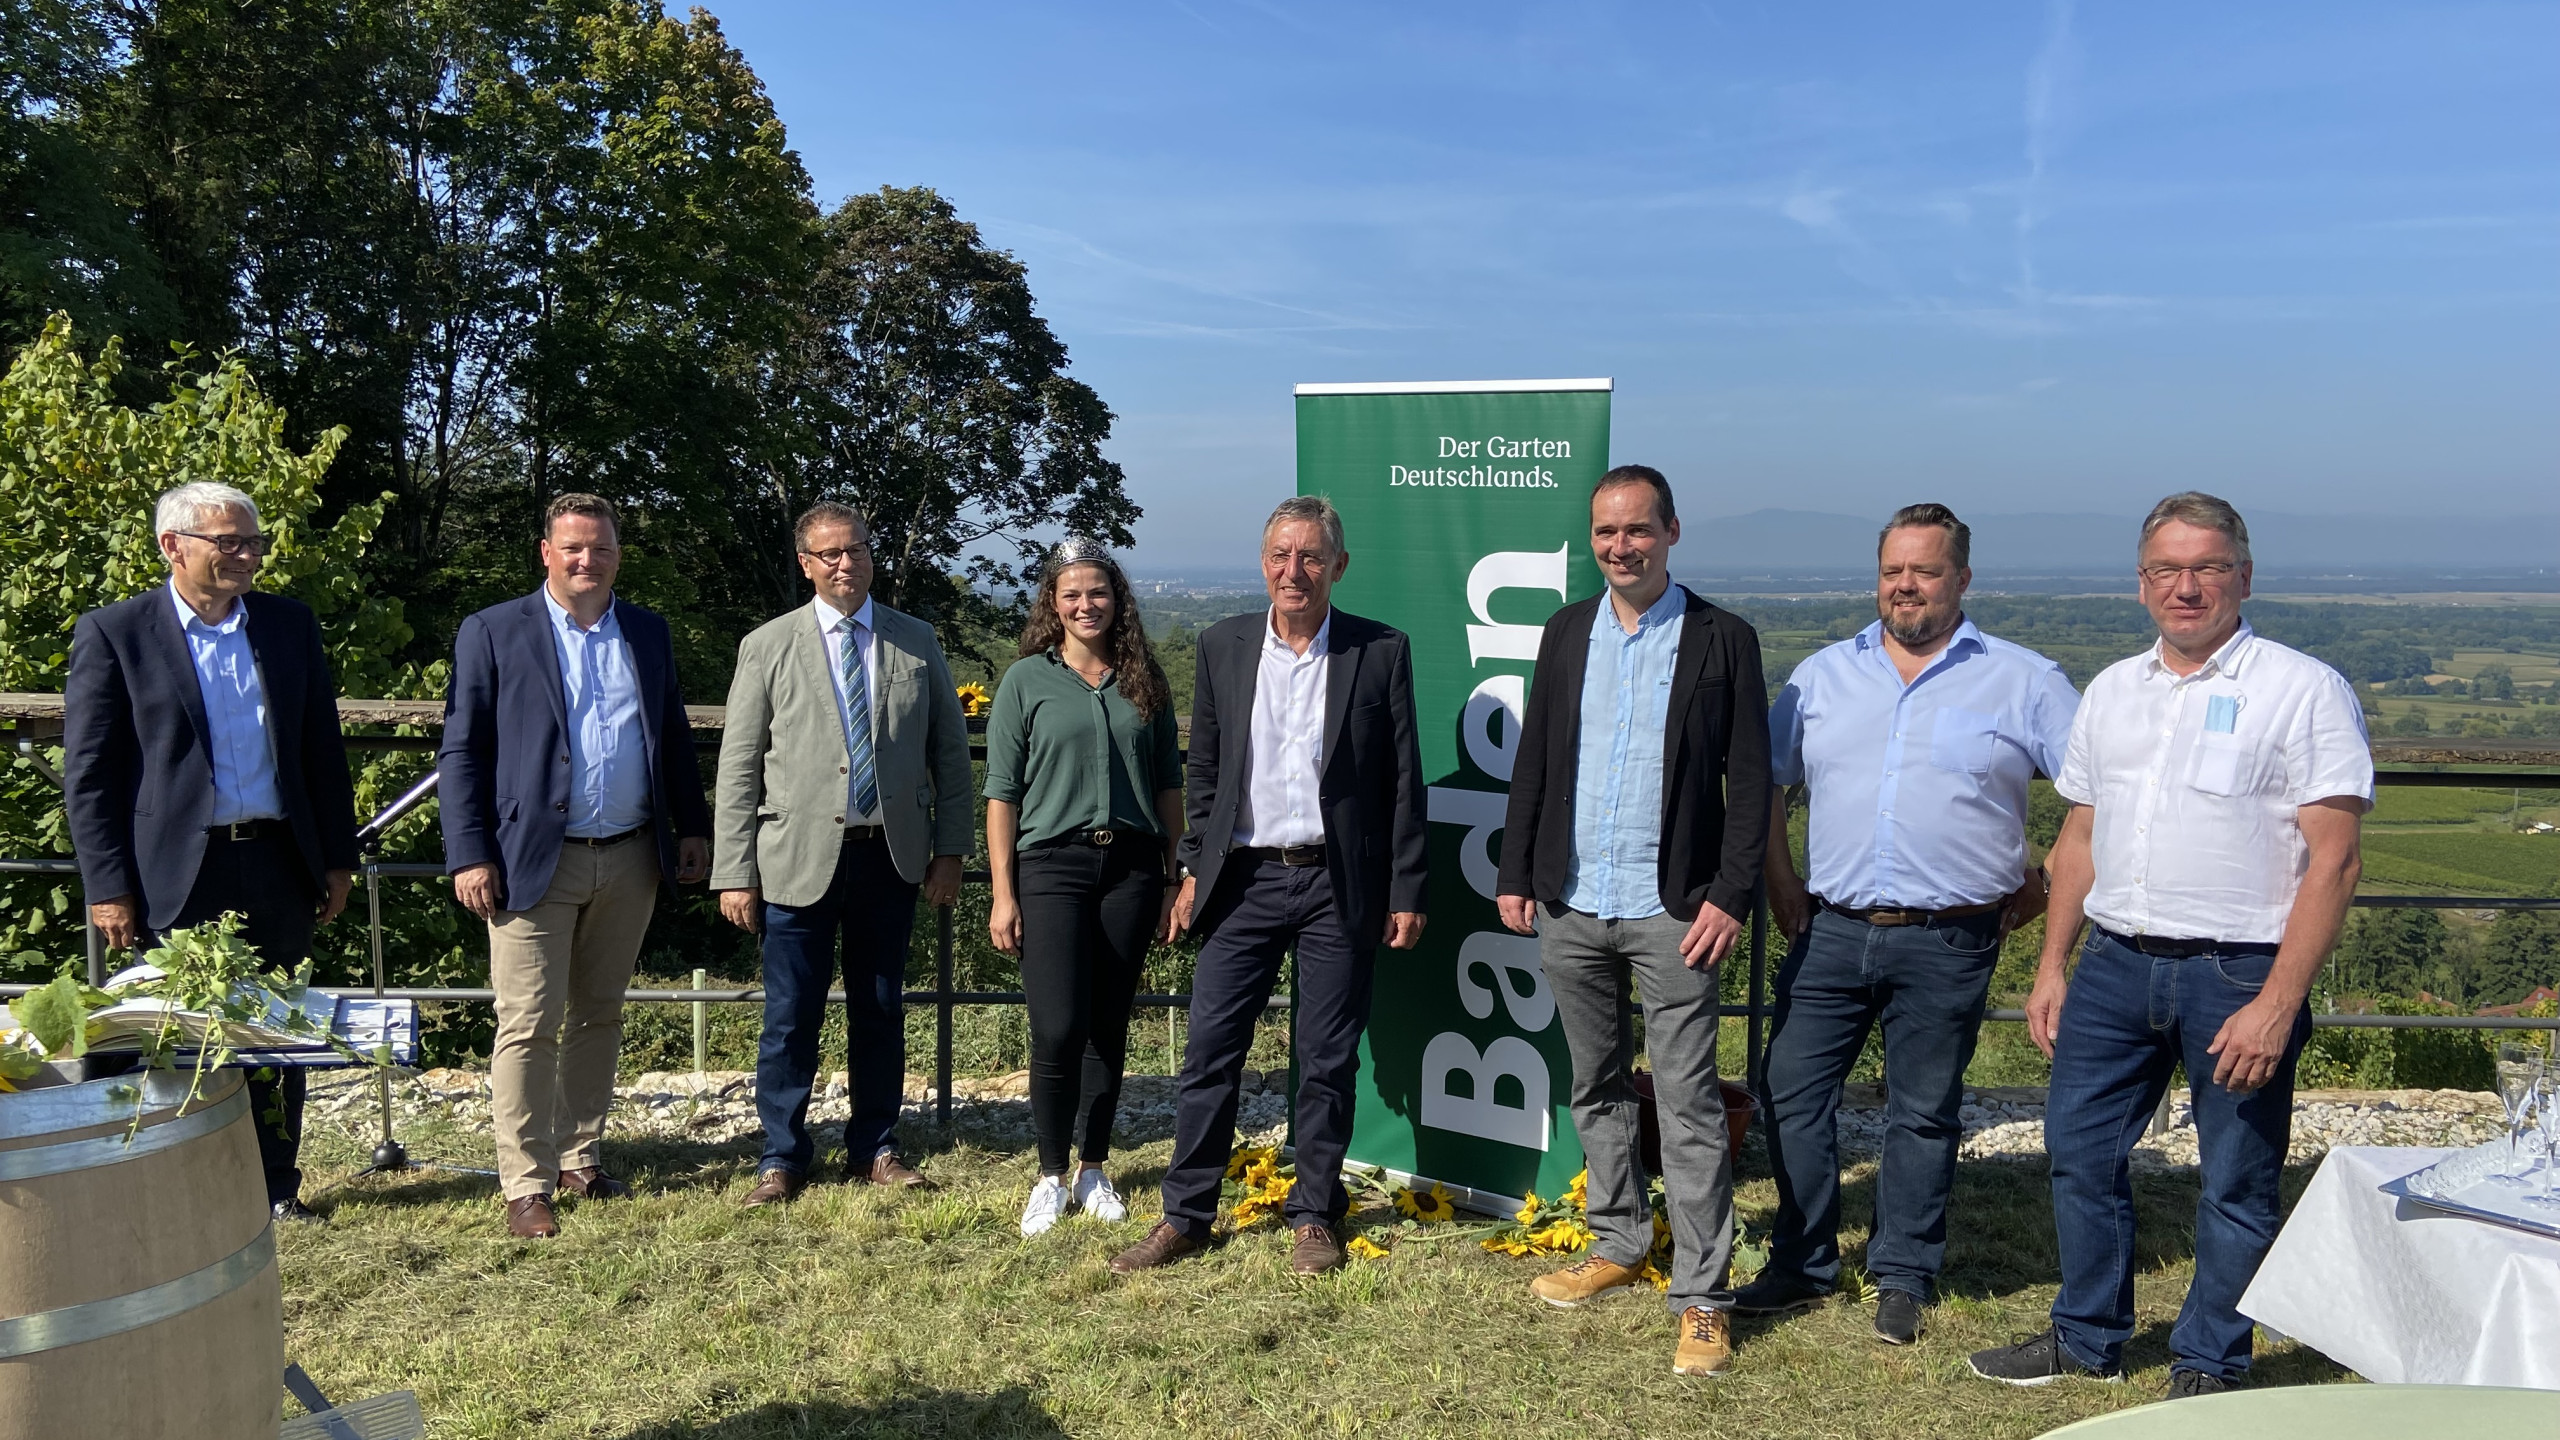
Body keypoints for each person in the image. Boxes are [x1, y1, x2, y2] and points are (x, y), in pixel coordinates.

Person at [1968, 492, 2370, 1398]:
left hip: (2240, 971)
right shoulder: (2113, 690)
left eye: (2207, 568)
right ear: (2141, 582)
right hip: (2114, 962)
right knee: (2078, 1152)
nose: (2185, 588)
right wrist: (2052, 965)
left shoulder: (2302, 689)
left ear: (2244, 576)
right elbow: (2078, 839)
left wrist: (2277, 1005)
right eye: (2166, 570)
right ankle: (2086, 1336)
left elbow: (2336, 862)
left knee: (2235, 1178)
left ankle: (2209, 1360)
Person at [1735, 503, 2079, 1344]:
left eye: (1925, 571)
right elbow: (1767, 787)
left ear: (1962, 578)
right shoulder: (1821, 676)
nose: (1906, 586)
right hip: (1833, 926)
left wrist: (2038, 889)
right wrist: (1781, 880)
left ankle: (1903, 1272)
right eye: (1893, 570)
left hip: (1952, 935)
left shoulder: (2024, 679)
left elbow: (2096, 798)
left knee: (1923, 1109)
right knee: (1789, 1091)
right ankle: (1804, 1261)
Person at [1493, 464, 1771, 1377]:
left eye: (1638, 531)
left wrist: (1731, 895)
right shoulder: (1566, 630)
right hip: (1571, 897)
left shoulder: (1723, 638)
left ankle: (1703, 1297)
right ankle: (1619, 1243)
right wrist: (1515, 868)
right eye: (1606, 533)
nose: (1621, 547)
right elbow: (1536, 757)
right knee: (1596, 1085)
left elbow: (1748, 785)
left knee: (1688, 1104)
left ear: (1672, 532)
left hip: (1675, 908)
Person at [1109, 495, 1427, 1277]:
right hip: (1243, 882)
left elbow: (1404, 783)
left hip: (1337, 884)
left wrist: (1407, 887)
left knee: (1326, 1059)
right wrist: (1190, 869)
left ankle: (1315, 1214)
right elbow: (1207, 769)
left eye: (1312, 556)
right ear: (1263, 563)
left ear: (1338, 567)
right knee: (1211, 1050)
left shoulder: (1379, 651)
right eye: (1282, 555)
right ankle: (1186, 1215)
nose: (1296, 571)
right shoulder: (1225, 645)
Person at [63, 481, 360, 1222]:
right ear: (174, 545)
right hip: (171, 873)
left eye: (253, 541)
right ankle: (166, 1190)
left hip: (277, 860)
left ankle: (274, 1188)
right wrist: (107, 886)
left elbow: (322, 751)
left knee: (276, 1029)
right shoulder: (117, 633)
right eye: (230, 541)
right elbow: (90, 777)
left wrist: (337, 858)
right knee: (167, 1031)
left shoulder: (288, 627)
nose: (248, 555)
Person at [439, 493, 715, 1239]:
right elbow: (462, 752)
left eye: (599, 549)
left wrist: (693, 827)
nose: (585, 560)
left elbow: (670, 737)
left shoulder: (647, 633)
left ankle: (580, 1157)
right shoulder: (494, 631)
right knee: (526, 1023)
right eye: (572, 548)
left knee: (599, 1013)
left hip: (629, 853)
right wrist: (468, 852)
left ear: (618, 556)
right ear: (546, 553)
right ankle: (525, 1183)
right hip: (532, 860)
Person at [714, 501, 970, 1205]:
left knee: (881, 1008)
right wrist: (733, 871)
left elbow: (949, 753)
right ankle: (782, 1156)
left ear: (870, 554)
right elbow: (739, 766)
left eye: (854, 549)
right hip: (794, 858)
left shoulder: (915, 639)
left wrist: (949, 850)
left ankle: (875, 1147)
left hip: (889, 858)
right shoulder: (767, 645)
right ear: (805, 564)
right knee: (790, 1014)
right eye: (827, 554)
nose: (844, 564)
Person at [984, 539, 1184, 1236]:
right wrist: (1002, 893)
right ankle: (1048, 1174)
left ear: (1116, 599)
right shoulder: (1025, 682)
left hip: (1130, 867)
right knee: (1058, 1025)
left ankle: (1094, 1168)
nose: (1085, 604)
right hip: (1051, 866)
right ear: (1053, 604)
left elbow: (1167, 785)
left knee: (1107, 1025)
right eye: (1071, 594)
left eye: (1097, 592)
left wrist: (1171, 873)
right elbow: (1002, 793)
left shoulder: (1142, 680)